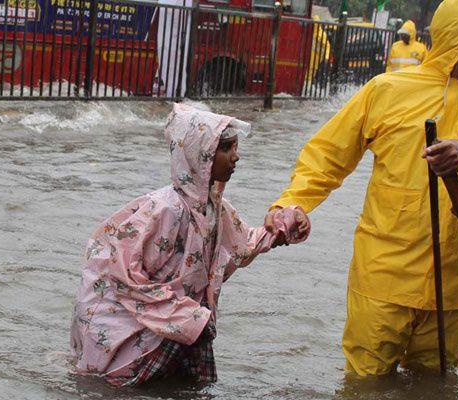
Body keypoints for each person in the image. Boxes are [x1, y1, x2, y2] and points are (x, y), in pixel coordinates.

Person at [266, 0, 458, 376]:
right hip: (384, 272)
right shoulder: (386, 90)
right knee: (365, 381)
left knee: (435, 382)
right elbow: (328, 154)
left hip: (455, 277)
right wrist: (292, 203)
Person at [70, 103, 310, 386]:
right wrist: (186, 315)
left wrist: (286, 226)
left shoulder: (216, 209)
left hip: (185, 325)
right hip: (149, 329)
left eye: (234, 147)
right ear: (201, 156)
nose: (236, 157)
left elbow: (244, 244)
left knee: (187, 387)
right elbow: (123, 274)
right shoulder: (165, 209)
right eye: (225, 149)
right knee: (126, 389)